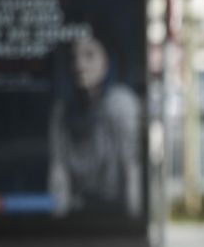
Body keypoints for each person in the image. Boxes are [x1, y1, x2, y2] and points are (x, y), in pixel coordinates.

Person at [49, 34, 142, 218]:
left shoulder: (121, 104)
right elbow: (58, 172)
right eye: (73, 58)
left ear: (108, 61)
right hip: (76, 218)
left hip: (116, 218)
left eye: (89, 55)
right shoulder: (63, 112)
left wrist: (133, 226)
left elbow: (132, 170)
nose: (79, 65)